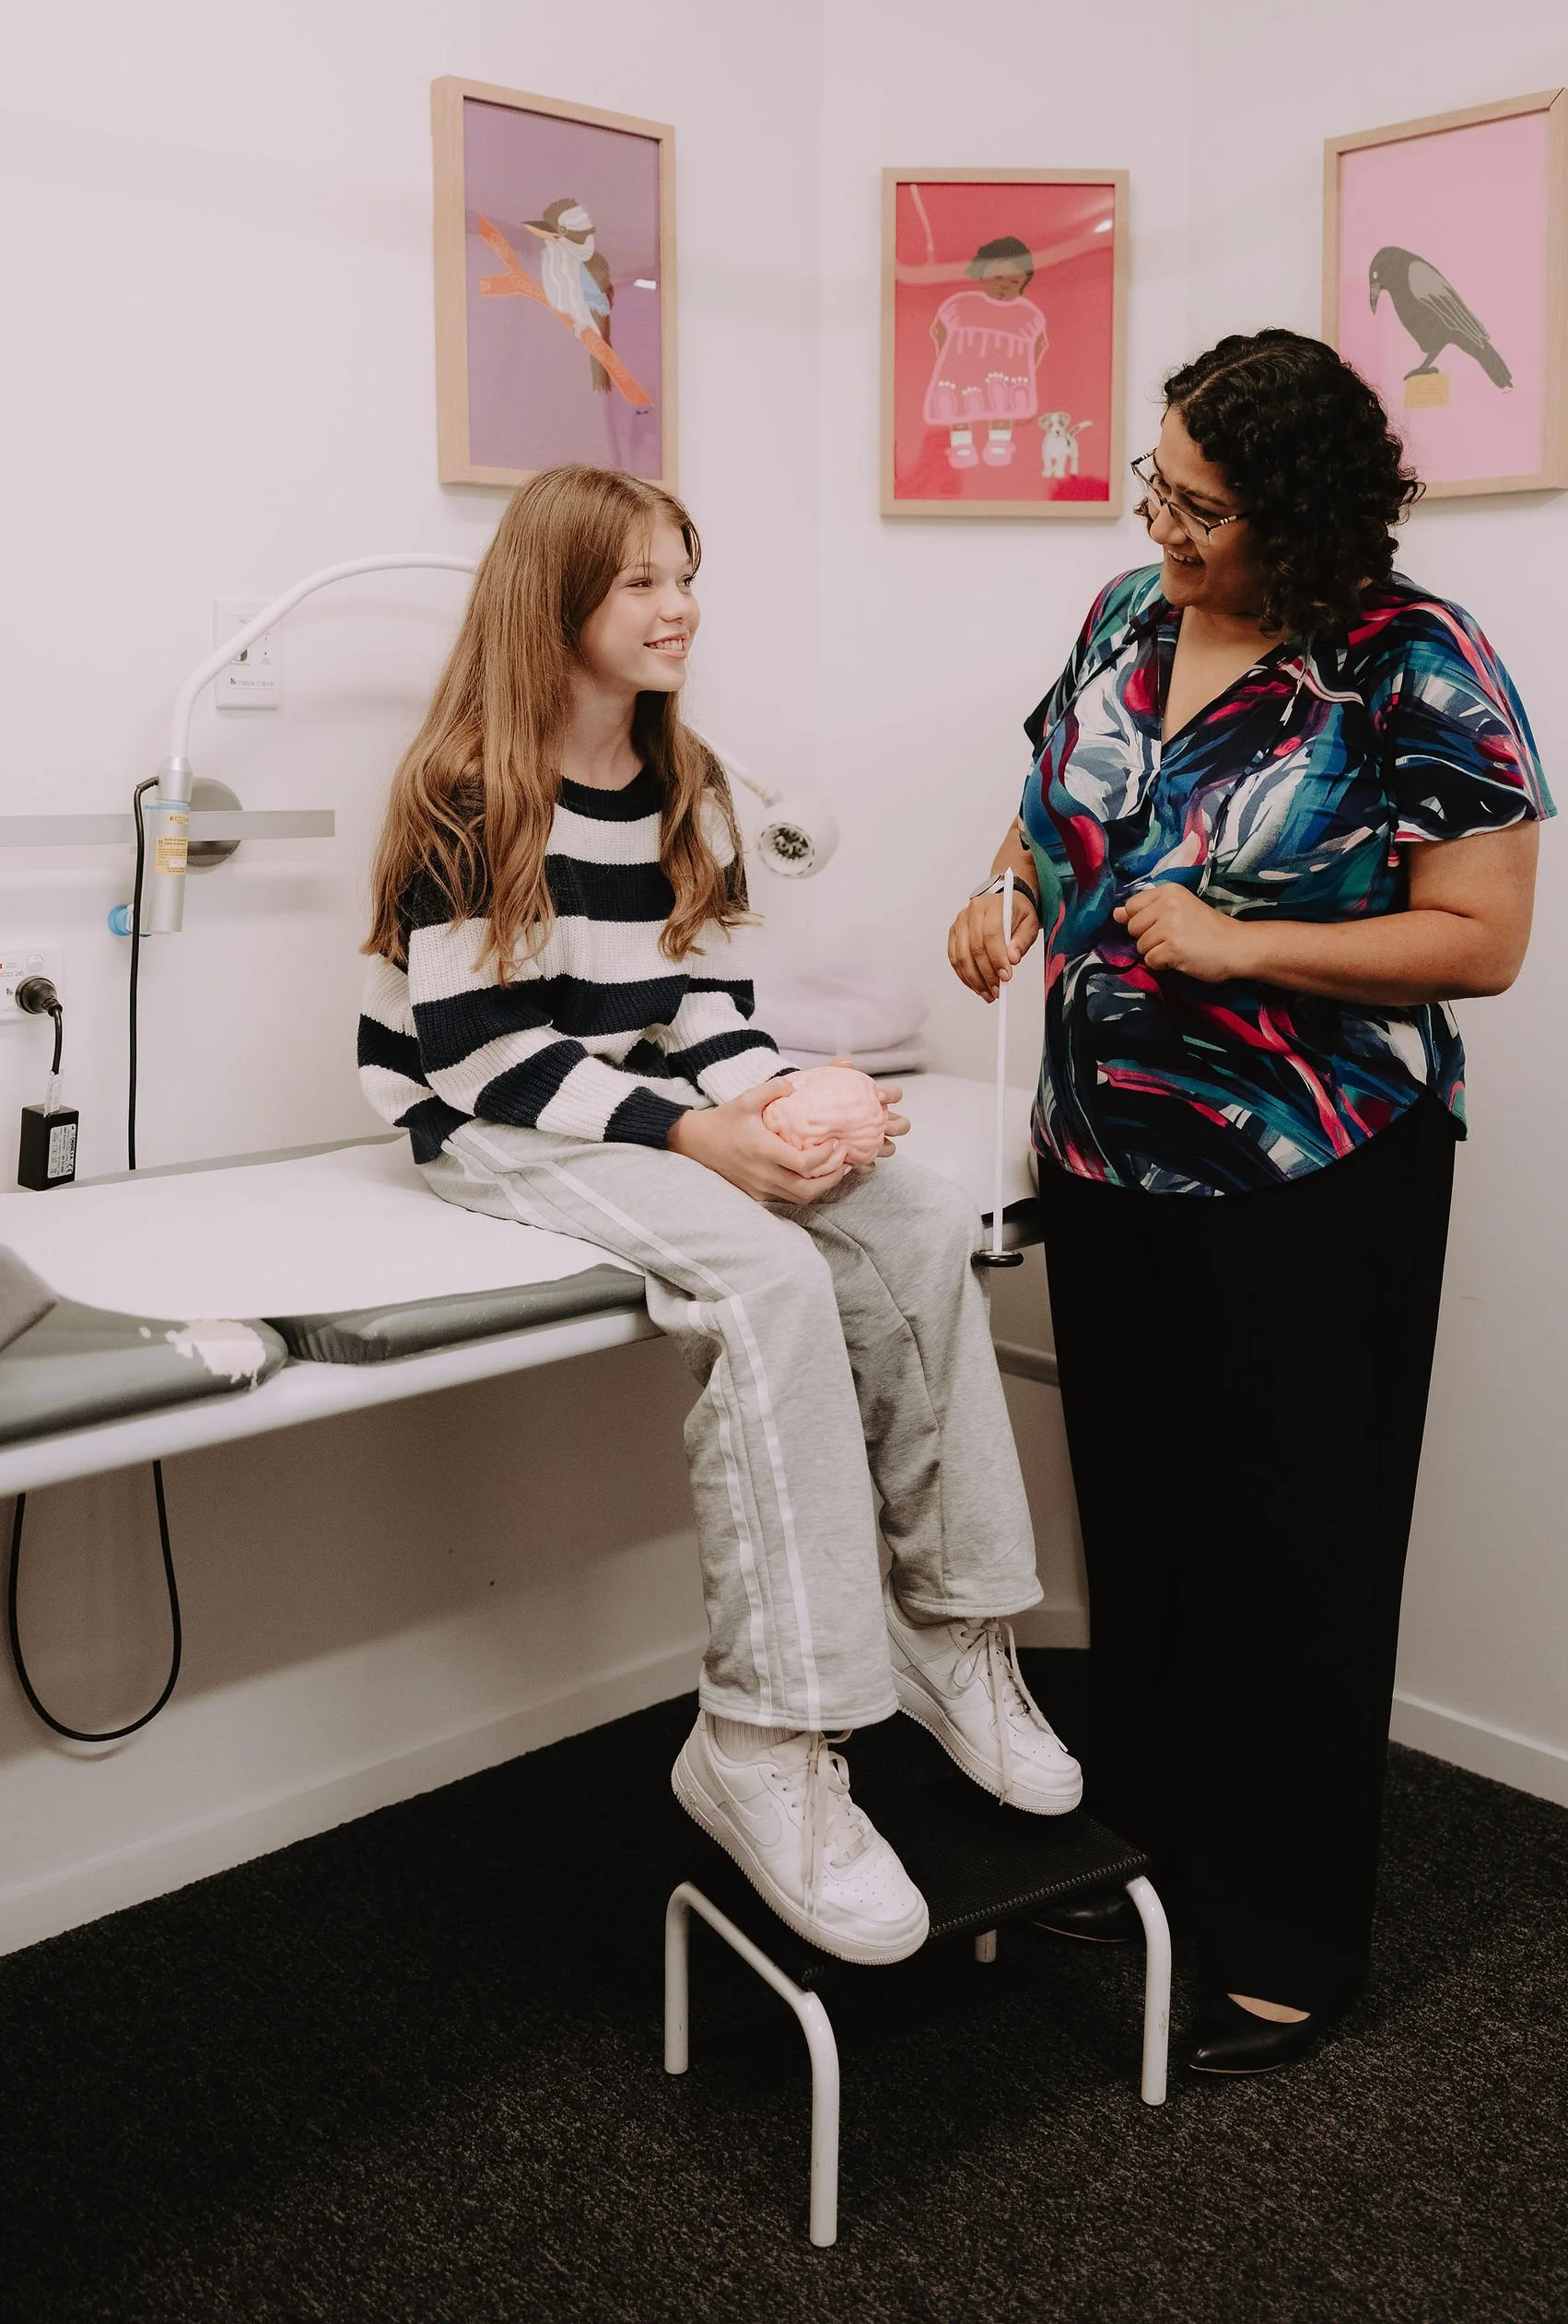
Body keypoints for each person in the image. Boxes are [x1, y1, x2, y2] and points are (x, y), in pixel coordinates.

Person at [360, 464, 1080, 1966]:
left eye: (684, 572)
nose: (678, 604)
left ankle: (948, 1629)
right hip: (485, 1119)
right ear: (554, 595)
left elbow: (702, 1010)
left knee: (911, 1210)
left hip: (627, 1099)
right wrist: (707, 1140)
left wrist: (779, 1108)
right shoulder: (466, 787)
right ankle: (762, 1732)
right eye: (639, 579)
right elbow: (482, 1051)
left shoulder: (687, 783)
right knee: (763, 1277)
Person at [947, 330, 1551, 2073]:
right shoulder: (1126, 621)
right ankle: (1139, 1856)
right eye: (1156, 484)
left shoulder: (1411, 661)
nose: (1164, 526)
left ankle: (1287, 1939)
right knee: (1137, 1530)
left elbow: (1481, 938)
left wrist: (1245, 941)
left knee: (1289, 1553)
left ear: (1295, 513)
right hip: (1106, 1159)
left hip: (1311, 1180)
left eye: (1199, 505)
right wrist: (999, 901)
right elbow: (1044, 825)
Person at [925, 237, 1050, 470]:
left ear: (1024, 283)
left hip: (1004, 372)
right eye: (998, 278)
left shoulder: (1026, 314)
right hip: (962, 369)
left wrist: (1026, 370)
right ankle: (962, 446)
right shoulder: (962, 304)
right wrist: (947, 359)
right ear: (981, 273)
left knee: (1001, 402)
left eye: (1014, 281)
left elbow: (1040, 343)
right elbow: (938, 329)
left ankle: (999, 443)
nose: (1004, 285)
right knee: (958, 405)